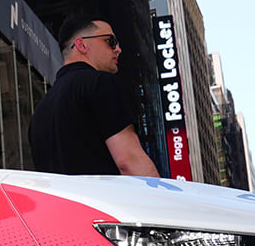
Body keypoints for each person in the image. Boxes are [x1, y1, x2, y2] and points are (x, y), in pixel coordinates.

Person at [28, 15, 160, 177]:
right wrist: (163, 199)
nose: (118, 49)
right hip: (106, 200)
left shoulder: (39, 113)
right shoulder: (101, 83)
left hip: (62, 202)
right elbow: (130, 161)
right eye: (110, 41)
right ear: (82, 44)